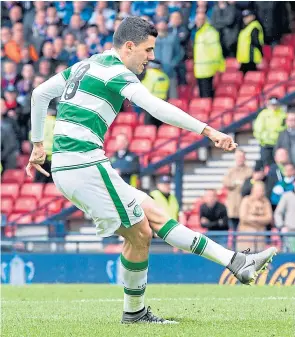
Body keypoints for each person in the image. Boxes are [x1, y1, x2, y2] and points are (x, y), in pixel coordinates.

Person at [26, 16, 277, 324]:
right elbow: (156, 107)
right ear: (128, 46)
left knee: (155, 216)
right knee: (140, 234)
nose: (151, 57)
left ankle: (236, 261)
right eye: (147, 50)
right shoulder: (117, 72)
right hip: (84, 164)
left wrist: (38, 144)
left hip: (75, 165)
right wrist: (208, 130)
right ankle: (135, 313)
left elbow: (39, 94)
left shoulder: (85, 65)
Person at [193, 12, 225, 98]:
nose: (197, 22)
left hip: (208, 69)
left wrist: (219, 67)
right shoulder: (199, 32)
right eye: (197, 19)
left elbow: (216, 51)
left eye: (199, 19)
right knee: (202, 95)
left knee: (207, 95)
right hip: (200, 70)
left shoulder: (210, 32)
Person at [238, 182, 273, 252]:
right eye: (257, 190)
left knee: (259, 257)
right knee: (246, 257)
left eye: (261, 190)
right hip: (246, 234)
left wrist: (254, 218)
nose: (259, 193)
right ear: (252, 190)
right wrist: (260, 220)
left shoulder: (266, 202)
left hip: (261, 234)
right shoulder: (246, 200)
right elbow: (243, 217)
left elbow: (269, 218)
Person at [223, 149, 252, 231]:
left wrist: (237, 183)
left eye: (241, 157)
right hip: (232, 206)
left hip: (244, 205)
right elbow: (226, 182)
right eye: (238, 157)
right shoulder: (231, 170)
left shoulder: (249, 171)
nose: (240, 159)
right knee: (233, 229)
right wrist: (235, 183)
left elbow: (247, 184)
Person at [154, 20, 184, 98]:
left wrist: (172, 64)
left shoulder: (173, 38)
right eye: (159, 29)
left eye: (163, 29)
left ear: (167, 28)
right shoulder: (152, 40)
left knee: (173, 98)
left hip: (170, 72)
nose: (161, 31)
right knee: (158, 98)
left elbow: (180, 53)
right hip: (156, 74)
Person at [253, 97, 286, 167]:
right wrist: (263, 139)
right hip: (266, 145)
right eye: (272, 104)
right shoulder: (263, 114)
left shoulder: (283, 115)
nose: (274, 106)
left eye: (275, 104)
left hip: (279, 145)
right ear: (268, 104)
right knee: (267, 166)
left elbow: (285, 128)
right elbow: (258, 129)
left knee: (280, 165)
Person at [141, 59, 170, 127]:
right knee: (159, 125)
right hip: (162, 103)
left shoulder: (147, 73)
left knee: (148, 126)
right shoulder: (164, 76)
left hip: (149, 103)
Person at [274, 180, 295, 251]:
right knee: (289, 257)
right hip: (290, 232)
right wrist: (281, 226)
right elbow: (278, 213)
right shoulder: (287, 196)